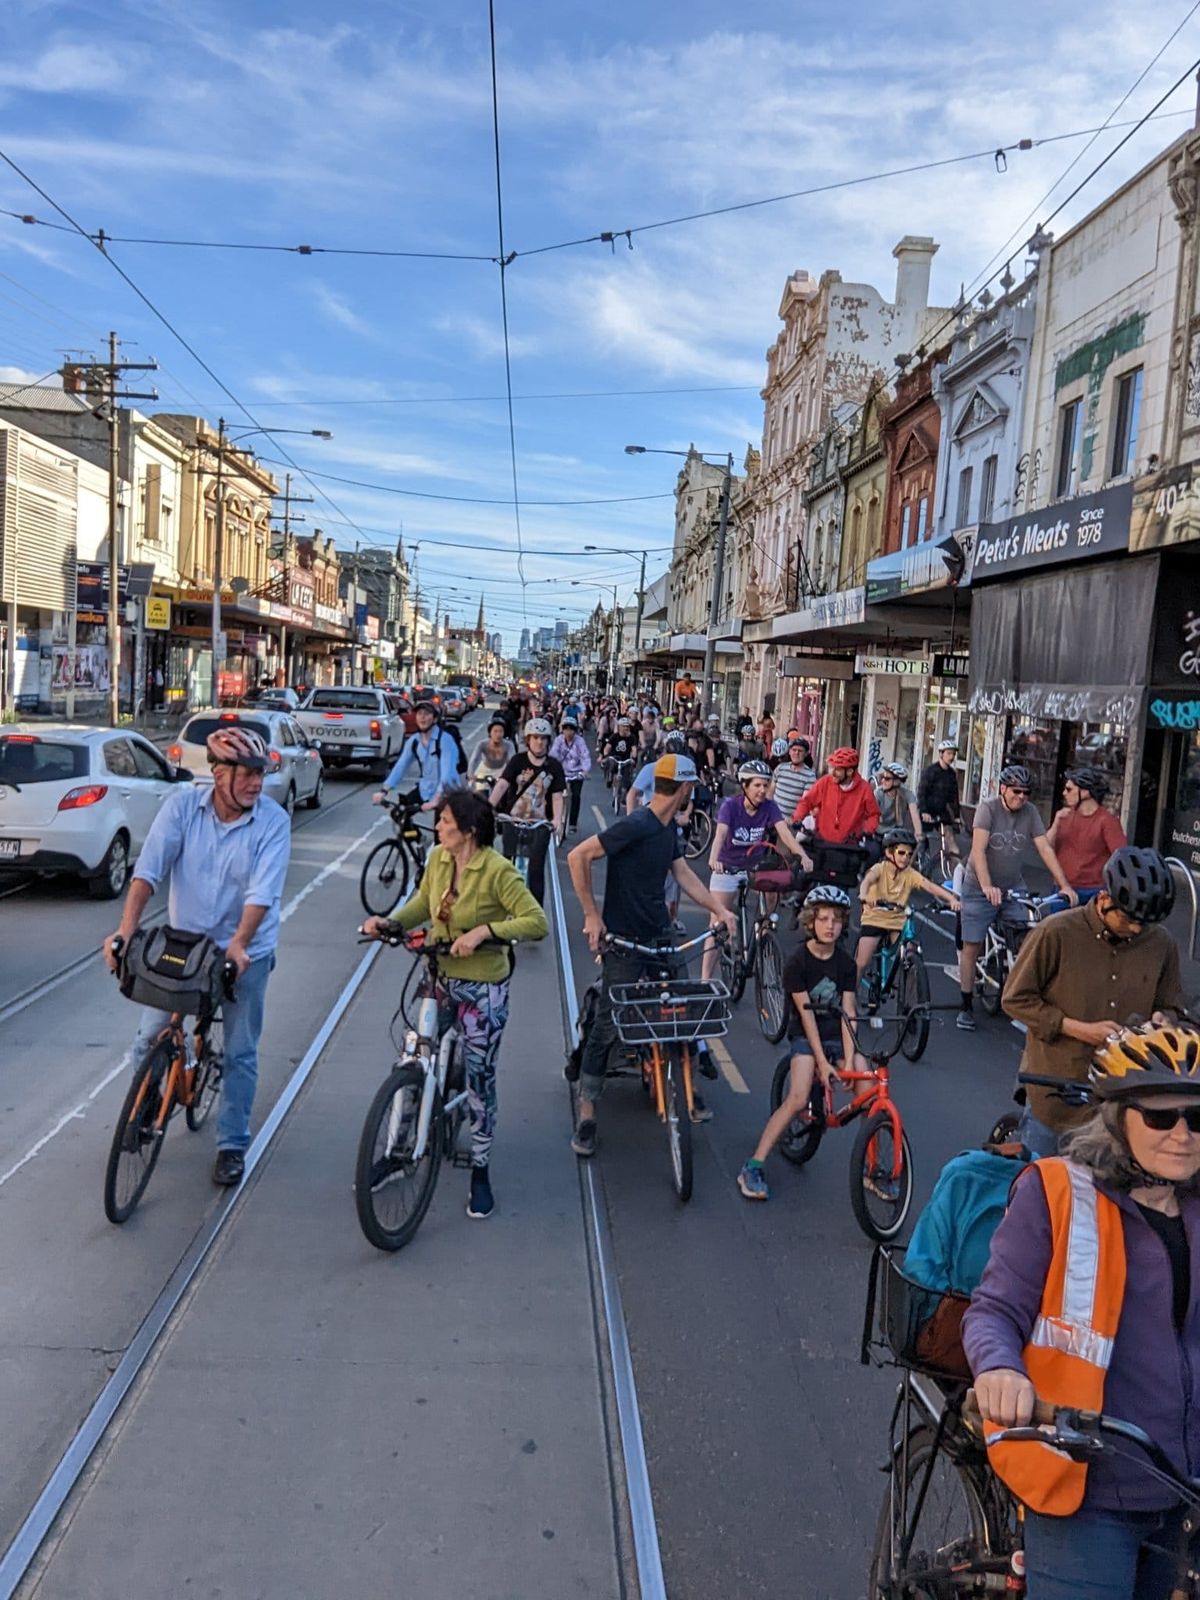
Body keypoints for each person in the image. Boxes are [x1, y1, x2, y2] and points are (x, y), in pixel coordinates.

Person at [963, 1020, 1200, 1600]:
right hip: (1091, 1486)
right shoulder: (1057, 1194)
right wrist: (999, 1369)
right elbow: (993, 1310)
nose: (1184, 1134)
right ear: (1118, 1119)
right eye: (1161, 1116)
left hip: (1185, 1487)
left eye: (1199, 1118)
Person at [103, 727, 291, 1187]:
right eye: (246, 774)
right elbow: (148, 871)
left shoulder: (271, 821)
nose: (255, 784)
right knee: (150, 1038)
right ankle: (147, 1102)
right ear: (218, 774)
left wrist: (240, 943)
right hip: (183, 946)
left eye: (260, 775)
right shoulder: (184, 807)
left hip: (242, 950)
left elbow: (261, 892)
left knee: (241, 1054)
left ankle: (231, 1143)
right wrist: (126, 931)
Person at [362, 789, 548, 1220]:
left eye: (445, 820)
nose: (438, 826)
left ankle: (480, 1171)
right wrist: (389, 923)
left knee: (480, 1080)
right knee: (411, 1056)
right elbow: (421, 905)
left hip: (483, 987)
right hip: (440, 975)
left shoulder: (497, 870)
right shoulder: (437, 860)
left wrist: (484, 932)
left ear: (467, 830)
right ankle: (396, 1150)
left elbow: (536, 921)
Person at [566, 754, 738, 1154]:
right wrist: (593, 917)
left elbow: (683, 874)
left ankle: (687, 1089)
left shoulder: (666, 829)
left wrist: (719, 909)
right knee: (609, 1025)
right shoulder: (639, 824)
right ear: (684, 789)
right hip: (624, 940)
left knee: (682, 1009)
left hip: (659, 934)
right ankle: (588, 1109)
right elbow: (579, 857)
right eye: (691, 788)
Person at [1003, 845, 1183, 1156]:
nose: (1137, 929)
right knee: (1038, 1194)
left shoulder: (1161, 944)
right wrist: (1076, 1028)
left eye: (1146, 922)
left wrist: (1163, 1021)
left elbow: (1170, 1005)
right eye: (1129, 919)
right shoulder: (1056, 933)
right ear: (1104, 900)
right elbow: (1015, 998)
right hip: (1057, 1096)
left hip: (1121, 1100)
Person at [736, 886, 866, 1200]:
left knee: (869, 1092)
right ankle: (753, 1166)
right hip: (807, 1038)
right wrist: (823, 1063)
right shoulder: (797, 963)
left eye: (836, 920)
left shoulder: (847, 964)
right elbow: (807, 1020)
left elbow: (849, 1013)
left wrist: (849, 1062)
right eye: (823, 919)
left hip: (837, 1035)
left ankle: (872, 1166)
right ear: (810, 922)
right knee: (796, 1097)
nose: (830, 926)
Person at [956, 764, 1079, 1032]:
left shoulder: (1030, 812)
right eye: (1016, 791)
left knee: (1029, 937)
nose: (1021, 797)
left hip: (1013, 886)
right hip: (979, 887)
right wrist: (987, 887)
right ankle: (965, 1006)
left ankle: (1023, 995)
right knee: (971, 946)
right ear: (1003, 789)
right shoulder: (987, 809)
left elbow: (1044, 848)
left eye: (1026, 792)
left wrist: (1066, 886)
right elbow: (978, 851)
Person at [701, 758, 803, 981]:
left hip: (754, 868)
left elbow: (784, 833)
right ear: (745, 785)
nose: (763, 790)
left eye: (766, 785)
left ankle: (762, 934)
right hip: (727, 866)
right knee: (717, 925)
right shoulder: (731, 806)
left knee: (773, 890)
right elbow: (720, 835)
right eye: (757, 785)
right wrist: (713, 858)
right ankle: (705, 980)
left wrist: (802, 855)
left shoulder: (770, 806)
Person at [856, 827, 960, 980]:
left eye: (909, 854)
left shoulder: (910, 874)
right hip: (875, 918)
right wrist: (864, 894)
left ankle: (910, 990)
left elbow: (929, 886)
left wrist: (951, 899)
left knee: (909, 949)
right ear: (889, 853)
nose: (905, 858)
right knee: (862, 962)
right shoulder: (879, 869)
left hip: (896, 920)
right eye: (901, 853)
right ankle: (849, 997)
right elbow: (867, 881)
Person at [489, 716, 565, 906]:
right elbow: (502, 785)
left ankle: (534, 915)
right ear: (528, 740)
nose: (539, 742)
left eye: (543, 738)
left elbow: (557, 796)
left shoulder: (554, 766)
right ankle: (503, 906)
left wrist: (557, 820)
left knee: (536, 870)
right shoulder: (517, 761)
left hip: (539, 824)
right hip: (513, 820)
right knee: (507, 866)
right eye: (535, 738)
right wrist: (487, 807)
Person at [1046, 768, 1127, 899]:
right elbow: (1045, 847)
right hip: (1063, 888)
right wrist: (1055, 823)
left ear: (1085, 792)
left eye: (1069, 789)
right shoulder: (1064, 816)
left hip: (1092, 891)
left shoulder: (1107, 821)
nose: (1064, 793)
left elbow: (1121, 857)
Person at [374, 697, 460, 814]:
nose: (422, 717)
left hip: (447, 793)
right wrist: (384, 790)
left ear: (435, 719)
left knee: (441, 828)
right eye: (419, 713)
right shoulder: (414, 741)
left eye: (427, 713)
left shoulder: (445, 740)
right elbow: (401, 766)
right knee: (400, 813)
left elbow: (447, 775)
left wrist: (436, 800)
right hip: (425, 789)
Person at [790, 747, 881, 845]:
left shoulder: (864, 789)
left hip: (849, 846)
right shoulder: (825, 782)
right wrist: (797, 819)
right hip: (822, 842)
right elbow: (806, 802)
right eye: (831, 767)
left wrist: (867, 831)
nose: (832, 773)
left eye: (837, 769)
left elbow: (874, 814)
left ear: (850, 771)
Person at [917, 739, 963, 863]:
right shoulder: (930, 771)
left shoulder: (951, 774)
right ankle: (921, 861)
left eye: (953, 754)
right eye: (949, 753)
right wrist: (924, 811)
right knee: (923, 838)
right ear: (941, 754)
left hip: (941, 811)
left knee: (949, 835)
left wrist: (957, 815)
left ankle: (955, 865)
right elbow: (921, 792)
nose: (952, 757)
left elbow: (954, 797)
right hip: (927, 810)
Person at [549, 715, 592, 834]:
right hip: (561, 773)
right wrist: (552, 768)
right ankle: (552, 817)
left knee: (576, 797)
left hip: (576, 773)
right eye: (566, 729)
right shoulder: (558, 740)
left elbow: (585, 756)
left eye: (571, 729)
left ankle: (573, 823)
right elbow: (553, 755)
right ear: (562, 729)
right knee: (554, 794)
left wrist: (585, 770)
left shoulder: (580, 741)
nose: (569, 732)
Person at [873, 761, 924, 848]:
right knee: (873, 853)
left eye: (887, 778)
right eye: (882, 777)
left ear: (897, 781)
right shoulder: (879, 793)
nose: (883, 781)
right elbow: (871, 814)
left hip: (896, 836)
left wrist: (919, 834)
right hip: (878, 834)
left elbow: (914, 813)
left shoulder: (906, 794)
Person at [468, 716, 516, 796]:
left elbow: (512, 761)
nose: (498, 734)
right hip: (484, 771)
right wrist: (470, 774)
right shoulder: (482, 744)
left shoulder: (509, 745)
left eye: (501, 731)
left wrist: (508, 774)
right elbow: (474, 760)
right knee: (480, 796)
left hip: (502, 770)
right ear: (490, 732)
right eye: (495, 731)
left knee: (504, 796)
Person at [769, 736, 815, 817]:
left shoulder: (810, 776)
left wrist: (794, 819)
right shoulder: (780, 768)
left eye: (800, 751)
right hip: (773, 818)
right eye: (794, 750)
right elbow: (770, 792)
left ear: (806, 754)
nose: (796, 753)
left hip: (792, 823)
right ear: (789, 752)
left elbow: (805, 802)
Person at [600, 714, 638, 787]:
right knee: (612, 763)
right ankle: (610, 776)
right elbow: (607, 748)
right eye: (624, 726)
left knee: (627, 781)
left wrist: (634, 758)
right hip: (615, 758)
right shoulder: (614, 736)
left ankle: (624, 792)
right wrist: (606, 755)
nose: (626, 728)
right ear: (619, 727)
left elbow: (634, 749)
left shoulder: (632, 737)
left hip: (626, 759)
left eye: (627, 726)